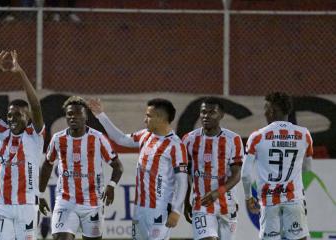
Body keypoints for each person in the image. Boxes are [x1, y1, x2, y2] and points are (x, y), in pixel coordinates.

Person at [88, 98, 188, 240]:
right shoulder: (145, 135)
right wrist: (100, 115)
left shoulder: (175, 146)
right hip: (139, 208)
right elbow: (121, 138)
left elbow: (182, 182)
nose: (144, 120)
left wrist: (177, 210)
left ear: (160, 117)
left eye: (148, 116)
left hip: (159, 210)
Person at [0, 50, 44, 240]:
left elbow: (36, 106)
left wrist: (19, 72)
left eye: (18, 115)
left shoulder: (34, 136)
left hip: (27, 205)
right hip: (2, 203)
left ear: (28, 117)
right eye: (9, 115)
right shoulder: (0, 132)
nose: (12, 118)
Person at [38, 96, 124, 240]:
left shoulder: (98, 138)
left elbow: (118, 166)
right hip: (65, 201)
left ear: (86, 117)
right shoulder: (58, 139)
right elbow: (47, 164)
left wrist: (111, 185)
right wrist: (39, 194)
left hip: (92, 203)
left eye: (78, 113)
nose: (73, 117)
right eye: (70, 113)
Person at [241, 92, 312, 240]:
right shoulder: (304, 134)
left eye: (266, 108)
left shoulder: (258, 136)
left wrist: (248, 197)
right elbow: (307, 169)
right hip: (294, 198)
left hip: (268, 200)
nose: (265, 112)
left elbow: (245, 174)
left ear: (272, 111)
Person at [182, 97, 243, 240]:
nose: (206, 116)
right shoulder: (189, 139)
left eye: (212, 112)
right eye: (203, 112)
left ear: (221, 115)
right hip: (201, 204)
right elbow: (186, 175)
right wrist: (186, 202)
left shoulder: (233, 139)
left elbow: (236, 175)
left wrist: (218, 192)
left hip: (227, 204)